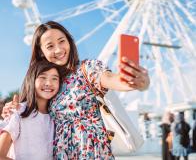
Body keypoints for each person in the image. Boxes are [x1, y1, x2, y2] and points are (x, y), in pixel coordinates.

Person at [2, 21, 150, 159]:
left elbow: (110, 79)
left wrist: (135, 83)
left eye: (62, 41)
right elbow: (35, 113)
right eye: (50, 46)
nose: (59, 49)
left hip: (92, 153)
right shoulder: (50, 85)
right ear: (41, 52)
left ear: (69, 42)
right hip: (61, 154)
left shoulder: (87, 69)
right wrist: (13, 109)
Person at [0, 60, 62, 160]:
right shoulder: (19, 111)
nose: (49, 83)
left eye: (55, 79)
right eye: (43, 77)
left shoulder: (56, 118)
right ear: (31, 80)